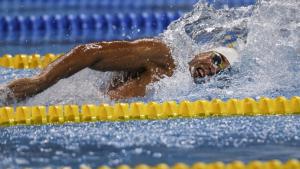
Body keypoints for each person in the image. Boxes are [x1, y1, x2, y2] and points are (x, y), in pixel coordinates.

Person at [0, 38, 239, 103]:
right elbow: (91, 52)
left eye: (219, 71)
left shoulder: (180, 88)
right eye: (216, 59)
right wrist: (40, 81)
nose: (212, 69)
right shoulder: (165, 55)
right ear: (203, 52)